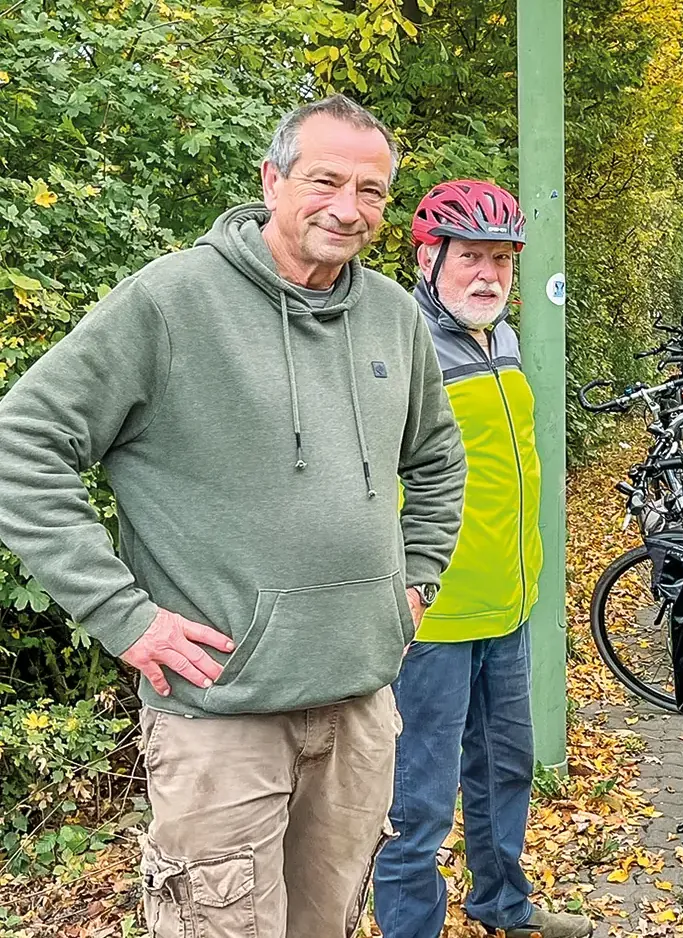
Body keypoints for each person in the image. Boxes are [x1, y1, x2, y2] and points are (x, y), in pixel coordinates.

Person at [0, 95, 466, 936]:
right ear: (272, 180)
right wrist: (122, 616)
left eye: (372, 191)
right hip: (222, 716)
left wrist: (417, 580)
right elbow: (20, 446)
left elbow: (435, 460)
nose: (347, 208)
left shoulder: (395, 316)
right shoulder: (173, 302)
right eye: (325, 180)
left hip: (360, 704)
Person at [371, 180, 593, 938]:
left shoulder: (498, 335)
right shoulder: (395, 341)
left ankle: (503, 905)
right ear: (429, 256)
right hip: (428, 617)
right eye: (471, 256)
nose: (489, 275)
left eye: (501, 259)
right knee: (417, 802)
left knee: (505, 771)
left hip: (507, 603)